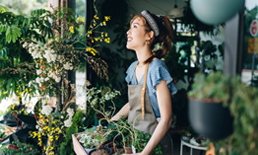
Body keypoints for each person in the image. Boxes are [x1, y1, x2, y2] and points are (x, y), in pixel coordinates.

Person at [111, 10, 177, 155]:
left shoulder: (157, 68)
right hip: (138, 141)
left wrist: (145, 153)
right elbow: (133, 104)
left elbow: (166, 119)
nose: (128, 32)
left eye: (134, 26)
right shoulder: (133, 68)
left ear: (149, 35)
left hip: (155, 146)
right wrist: (109, 126)